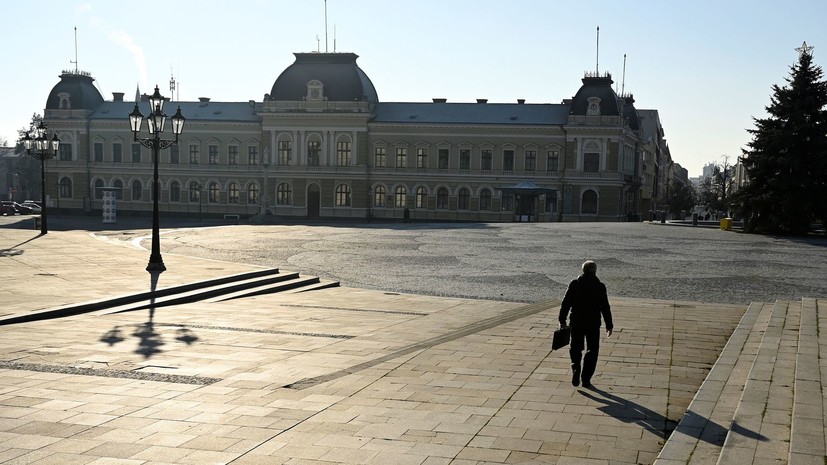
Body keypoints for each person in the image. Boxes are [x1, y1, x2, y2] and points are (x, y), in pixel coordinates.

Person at [559, 260, 613, 388]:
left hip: (576, 321)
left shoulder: (574, 284)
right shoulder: (600, 286)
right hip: (593, 323)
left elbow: (565, 303)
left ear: (583, 270)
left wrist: (562, 320)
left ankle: (575, 367)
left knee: (575, 346)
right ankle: (586, 378)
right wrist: (609, 325)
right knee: (592, 350)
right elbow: (605, 307)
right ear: (595, 271)